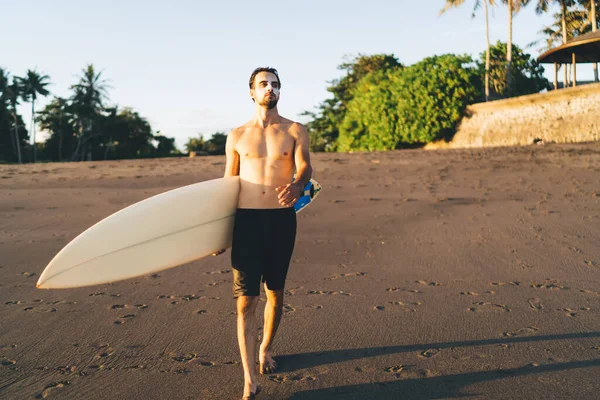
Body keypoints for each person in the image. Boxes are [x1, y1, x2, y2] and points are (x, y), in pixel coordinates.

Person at [213, 67, 312, 400]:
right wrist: (219, 233)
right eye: (263, 84)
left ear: (280, 92)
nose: (270, 89)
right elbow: (229, 185)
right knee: (245, 302)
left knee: (275, 295)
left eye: (275, 85)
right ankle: (249, 380)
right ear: (251, 92)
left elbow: (304, 166)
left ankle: (266, 349)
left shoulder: (295, 130)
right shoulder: (237, 135)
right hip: (246, 223)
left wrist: (298, 184)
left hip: (282, 221)